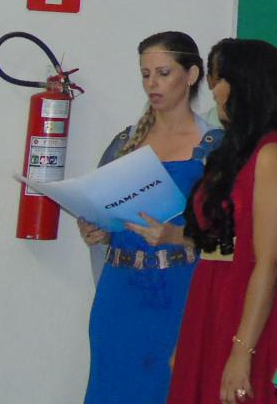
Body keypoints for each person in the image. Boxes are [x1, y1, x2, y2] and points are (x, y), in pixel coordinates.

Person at [161, 38, 277, 404]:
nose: (214, 91)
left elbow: (271, 261)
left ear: (246, 84)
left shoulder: (273, 153)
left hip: (250, 318)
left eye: (220, 79)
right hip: (213, 304)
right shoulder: (235, 153)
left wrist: (242, 352)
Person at [80, 31, 221, 404]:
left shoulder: (215, 146)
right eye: (145, 74)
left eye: (163, 73)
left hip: (179, 291)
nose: (152, 84)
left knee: (166, 389)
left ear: (191, 75)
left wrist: (176, 236)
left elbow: (230, 237)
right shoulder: (124, 143)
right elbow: (102, 210)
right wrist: (97, 231)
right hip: (119, 291)